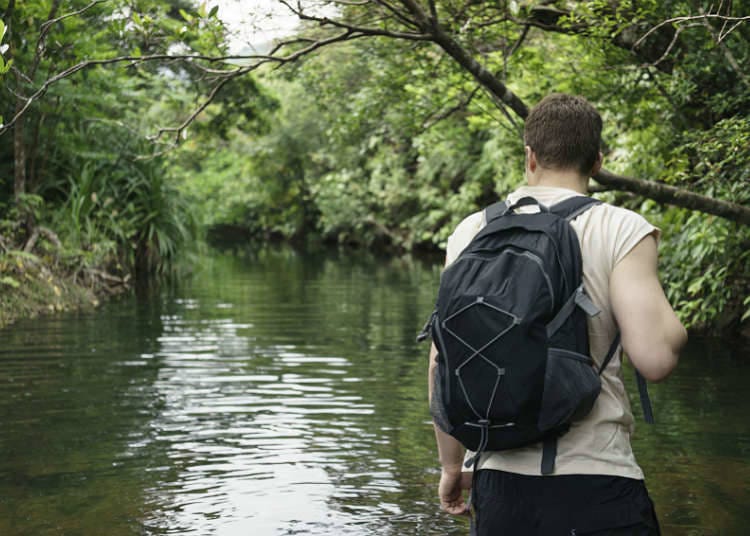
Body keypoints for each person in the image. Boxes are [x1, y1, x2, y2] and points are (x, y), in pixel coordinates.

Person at [428, 93, 688, 535]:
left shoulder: (472, 231)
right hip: (599, 480)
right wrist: (677, 330)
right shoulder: (620, 228)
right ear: (598, 162)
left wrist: (452, 466)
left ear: (529, 156)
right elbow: (656, 359)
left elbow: (442, 361)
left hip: (499, 486)